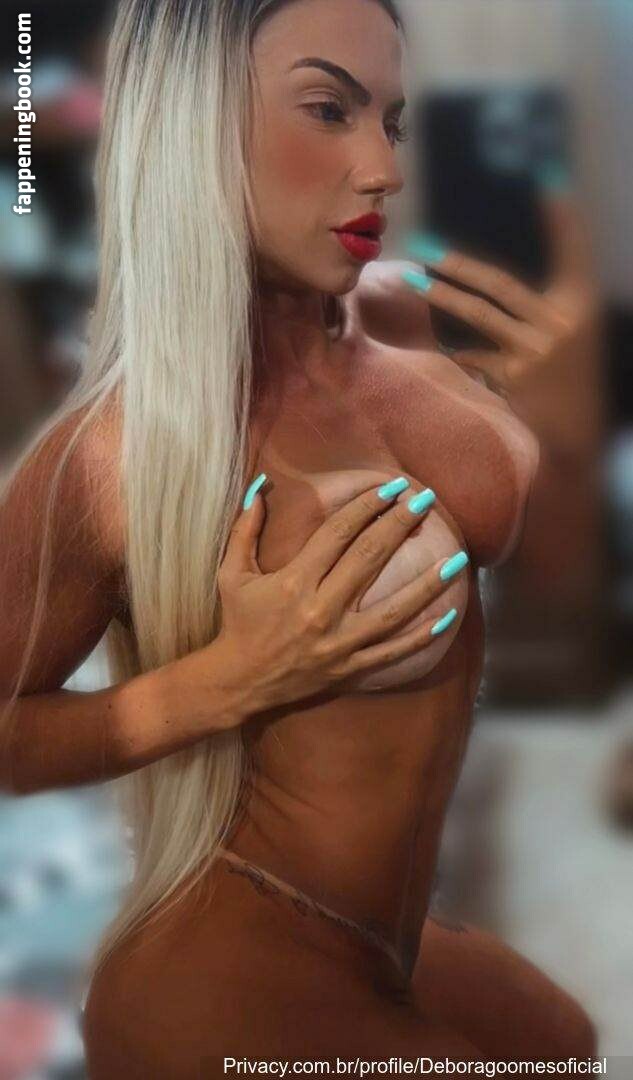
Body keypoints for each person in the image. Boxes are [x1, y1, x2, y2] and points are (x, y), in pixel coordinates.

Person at [0, 0, 599, 1073]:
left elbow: (553, 605)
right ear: (193, 125)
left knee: (563, 1038)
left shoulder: (407, 335)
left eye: (393, 121)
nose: (385, 170)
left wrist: (564, 423)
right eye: (329, 109)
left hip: (387, 940)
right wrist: (220, 685)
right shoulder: (110, 455)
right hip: (223, 973)